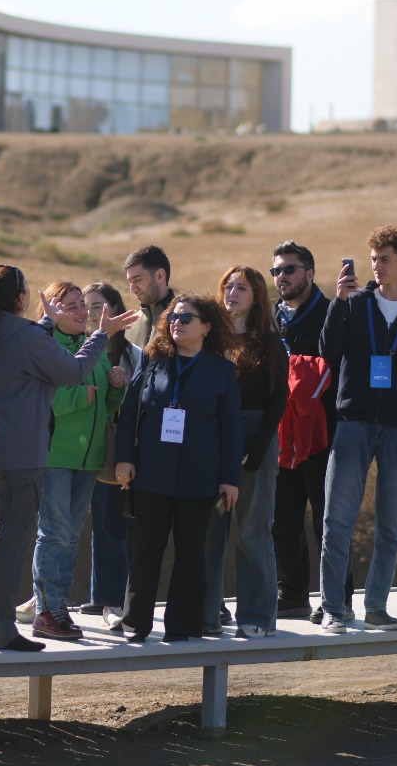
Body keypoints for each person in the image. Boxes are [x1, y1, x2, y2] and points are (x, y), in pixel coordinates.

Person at [0, 264, 134, 651]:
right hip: (18, 455)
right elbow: (73, 371)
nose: (80, 311)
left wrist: (46, 323)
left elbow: (26, 354)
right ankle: (4, 630)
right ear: (22, 298)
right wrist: (101, 335)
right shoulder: (26, 335)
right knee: (8, 546)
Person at [317, 224, 397, 634]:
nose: (376, 266)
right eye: (373, 259)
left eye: (385, 259)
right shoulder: (355, 304)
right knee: (337, 522)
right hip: (352, 425)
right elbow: (327, 351)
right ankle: (334, 609)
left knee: (391, 527)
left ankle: (376, 607)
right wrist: (338, 302)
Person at [114, 292, 242, 642]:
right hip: (151, 472)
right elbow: (130, 412)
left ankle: (183, 627)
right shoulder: (153, 360)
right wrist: (124, 457)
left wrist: (230, 479)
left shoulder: (222, 371)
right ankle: (134, 623)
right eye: (173, 317)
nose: (177, 323)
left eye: (186, 318)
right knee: (146, 550)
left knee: (191, 552)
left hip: (198, 476)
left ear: (206, 327)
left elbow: (231, 430)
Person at [23, 282, 128, 640]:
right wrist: (78, 397)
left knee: (69, 537)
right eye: (71, 306)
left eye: (82, 304)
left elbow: (105, 405)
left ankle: (59, 607)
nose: (82, 311)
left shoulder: (93, 346)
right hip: (54, 457)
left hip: (89, 459)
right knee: (53, 535)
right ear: (51, 311)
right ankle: (46, 610)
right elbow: (39, 399)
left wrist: (116, 387)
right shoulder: (44, 347)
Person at [267, 241, 353, 623]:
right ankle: (291, 595)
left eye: (289, 269)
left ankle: (337, 598)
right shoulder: (271, 317)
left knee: (327, 520)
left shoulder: (333, 312)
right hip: (282, 435)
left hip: (324, 435)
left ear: (310, 273)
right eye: (276, 271)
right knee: (282, 519)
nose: (281, 277)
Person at [202, 267, 287, 638]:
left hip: (255, 435)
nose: (232, 293)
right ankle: (206, 615)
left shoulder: (267, 341)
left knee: (253, 531)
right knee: (208, 531)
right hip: (212, 435)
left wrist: (258, 448)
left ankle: (257, 617)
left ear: (256, 298)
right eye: (228, 286)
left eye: (242, 288)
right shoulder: (209, 337)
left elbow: (279, 399)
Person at [80, 280, 142, 630]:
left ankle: (110, 599)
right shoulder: (77, 349)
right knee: (67, 526)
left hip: (118, 452)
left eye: (97, 306)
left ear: (116, 311)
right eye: (85, 305)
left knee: (111, 525)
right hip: (78, 447)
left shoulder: (135, 356)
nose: (89, 313)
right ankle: (54, 598)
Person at [123, 244, 175, 350]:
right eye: (130, 282)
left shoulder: (184, 322)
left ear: (160, 276)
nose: (132, 289)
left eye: (137, 280)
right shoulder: (128, 326)